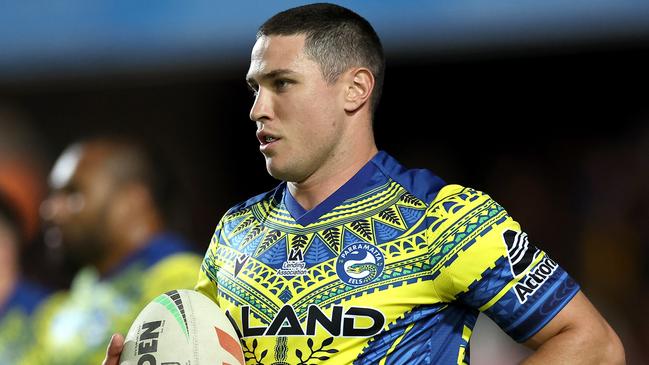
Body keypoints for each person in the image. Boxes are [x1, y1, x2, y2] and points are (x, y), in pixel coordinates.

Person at [104, 3, 624, 364]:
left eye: (282, 84)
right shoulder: (235, 232)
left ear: (354, 88)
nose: (258, 109)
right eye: (254, 89)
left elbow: (592, 344)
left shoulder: (451, 218)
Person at [25, 137, 202, 365]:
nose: (49, 210)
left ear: (133, 200)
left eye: (72, 193)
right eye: (53, 195)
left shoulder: (181, 280)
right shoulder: (75, 294)